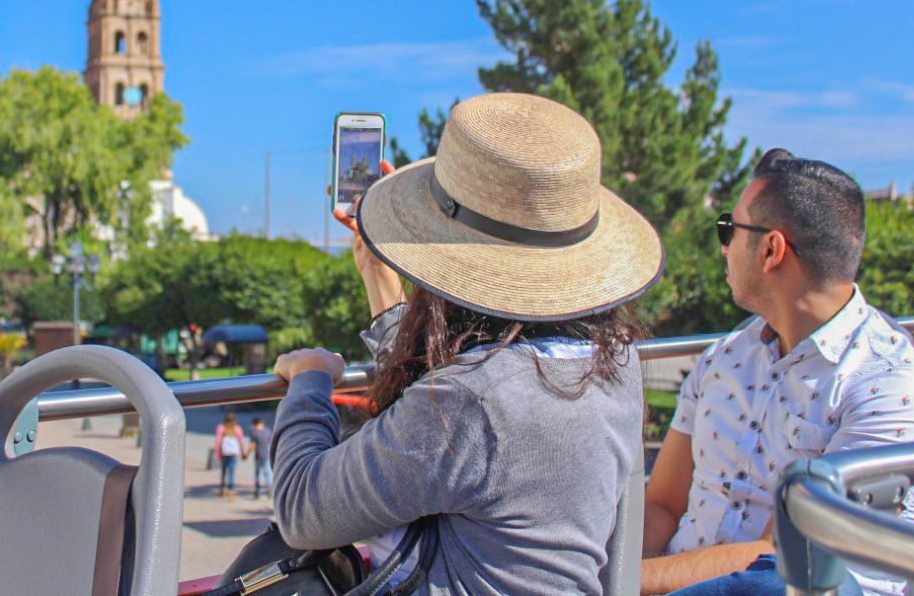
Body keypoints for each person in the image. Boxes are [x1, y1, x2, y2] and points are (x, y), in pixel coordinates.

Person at [270, 93, 664, 594]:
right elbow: (457, 388)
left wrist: (307, 382)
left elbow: (303, 509)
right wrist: (377, 272)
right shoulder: (616, 365)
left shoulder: (471, 402)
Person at [640, 149, 914, 596]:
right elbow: (663, 503)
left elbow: (781, 560)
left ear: (771, 249)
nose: (722, 246)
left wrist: (617, 583)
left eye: (729, 229)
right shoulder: (725, 358)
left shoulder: (886, 388)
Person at [214, 411, 246, 499]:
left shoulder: (221, 428)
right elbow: (241, 441)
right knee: (232, 473)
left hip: (224, 453)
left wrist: (217, 453)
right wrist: (243, 452)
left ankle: (222, 489)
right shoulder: (237, 429)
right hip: (234, 453)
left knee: (224, 471)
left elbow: (218, 441)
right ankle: (231, 492)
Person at [245, 416, 272, 499]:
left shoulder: (254, 433)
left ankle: (257, 492)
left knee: (257, 474)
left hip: (258, 456)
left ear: (254, 424)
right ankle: (270, 490)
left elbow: (252, 446)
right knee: (267, 473)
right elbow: (271, 443)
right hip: (266, 455)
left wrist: (247, 454)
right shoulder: (267, 431)